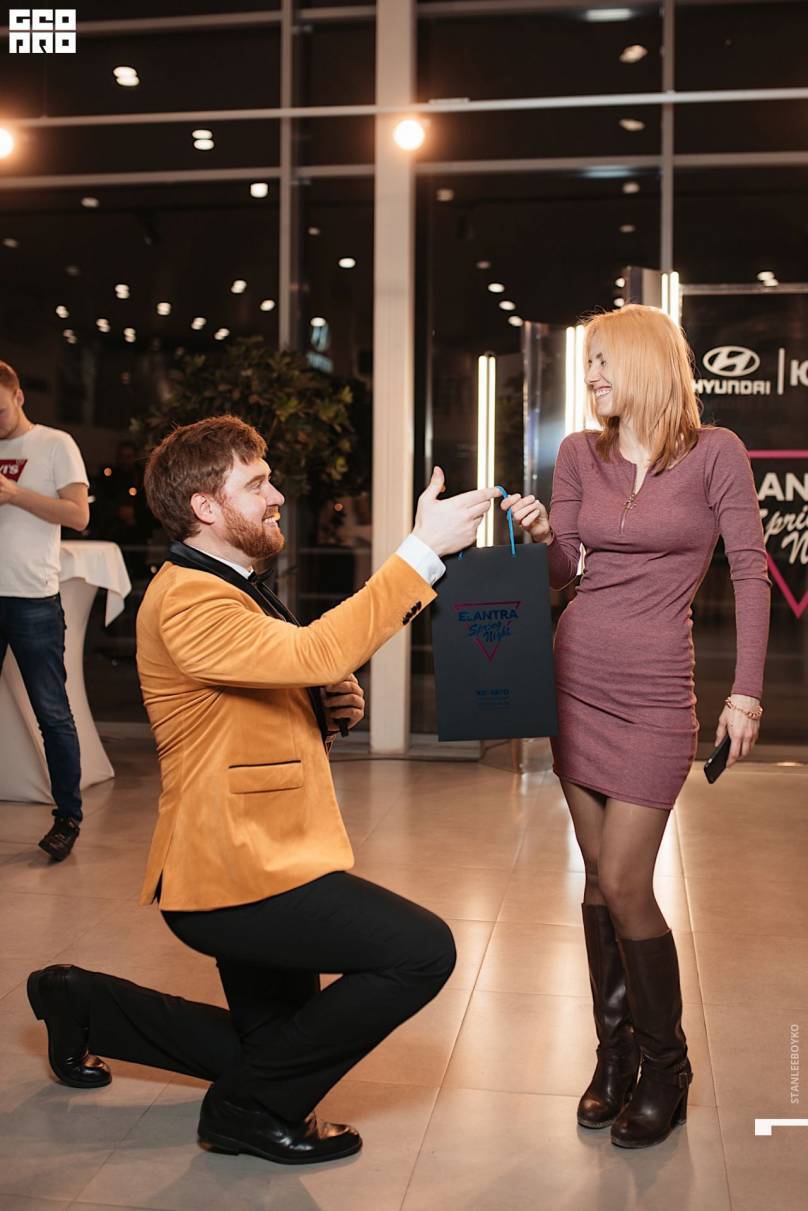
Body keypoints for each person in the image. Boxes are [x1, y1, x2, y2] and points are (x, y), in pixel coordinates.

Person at [27, 414, 498, 1166]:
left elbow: (266, 688)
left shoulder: (234, 588)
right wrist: (421, 551)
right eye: (256, 484)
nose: (277, 495)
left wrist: (321, 707)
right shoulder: (189, 598)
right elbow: (316, 649)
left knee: (273, 1048)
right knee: (420, 951)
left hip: (267, 854)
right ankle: (244, 1112)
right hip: (233, 873)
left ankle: (83, 1003)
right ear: (205, 507)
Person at [500, 304, 769, 1149]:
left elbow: (751, 572)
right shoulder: (581, 453)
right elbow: (559, 574)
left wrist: (746, 693)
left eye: (603, 362)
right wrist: (542, 535)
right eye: (587, 365)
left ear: (648, 362)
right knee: (595, 879)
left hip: (656, 695)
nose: (591, 379)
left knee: (624, 880)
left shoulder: (717, 452)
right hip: (574, 679)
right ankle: (613, 1057)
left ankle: (667, 1066)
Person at [0, 360, 90, 861]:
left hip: (32, 597)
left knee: (52, 713)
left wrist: (16, 495)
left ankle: (68, 816)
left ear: (18, 397)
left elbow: (78, 515)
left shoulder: (55, 444)